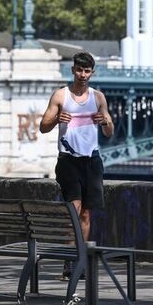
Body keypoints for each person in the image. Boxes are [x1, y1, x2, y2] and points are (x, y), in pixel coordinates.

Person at [39, 51, 114, 258]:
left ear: (92, 73)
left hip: (91, 160)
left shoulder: (98, 98)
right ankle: (70, 259)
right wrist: (56, 120)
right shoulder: (60, 95)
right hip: (68, 161)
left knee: (86, 214)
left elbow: (109, 132)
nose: (82, 74)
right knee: (74, 209)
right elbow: (43, 127)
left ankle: (80, 259)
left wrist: (105, 122)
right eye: (79, 70)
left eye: (87, 71)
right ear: (73, 70)